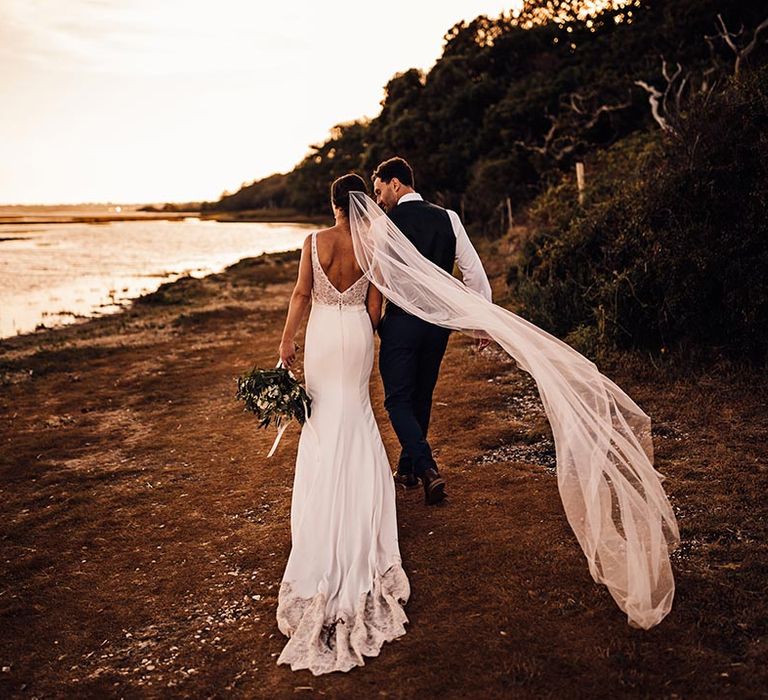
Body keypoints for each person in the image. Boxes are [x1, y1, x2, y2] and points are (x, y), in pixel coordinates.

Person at [275, 173, 409, 675]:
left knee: (323, 418)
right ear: (359, 205)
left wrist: (288, 342)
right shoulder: (371, 248)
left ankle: (323, 509)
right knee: (357, 413)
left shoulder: (313, 243)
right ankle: (362, 512)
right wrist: (361, 315)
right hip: (355, 336)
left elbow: (300, 296)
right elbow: (375, 311)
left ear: (332, 204)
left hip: (322, 339)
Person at [371, 157, 492, 503]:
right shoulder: (449, 218)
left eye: (380, 192)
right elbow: (473, 274)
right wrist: (481, 319)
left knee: (397, 400)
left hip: (401, 324)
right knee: (421, 396)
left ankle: (427, 468)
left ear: (396, 183)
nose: (378, 201)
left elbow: (377, 281)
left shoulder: (383, 227)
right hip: (437, 326)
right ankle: (409, 468)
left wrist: (374, 324)